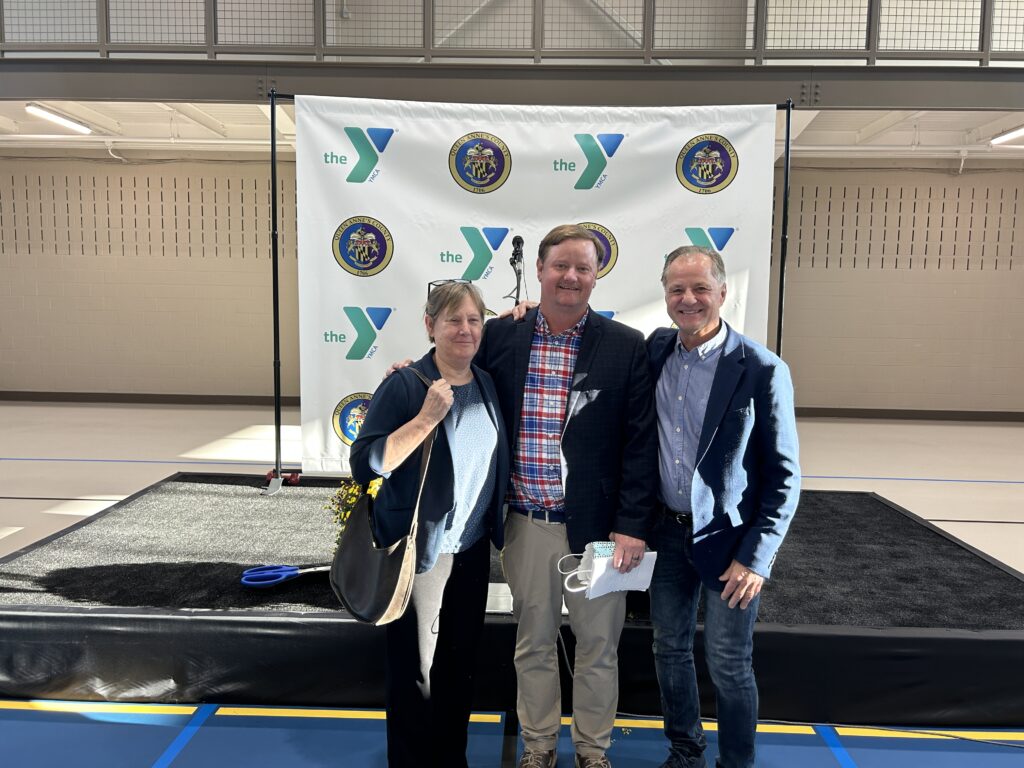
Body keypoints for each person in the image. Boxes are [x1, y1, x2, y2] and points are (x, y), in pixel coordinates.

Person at [475, 224, 658, 768]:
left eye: (583, 267)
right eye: (561, 266)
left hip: (604, 533)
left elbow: (640, 444)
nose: (571, 276)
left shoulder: (626, 346)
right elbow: (451, 366)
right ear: (539, 270)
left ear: (596, 275)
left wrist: (631, 526)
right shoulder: (500, 335)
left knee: (599, 649)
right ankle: (537, 749)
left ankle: (592, 752)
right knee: (532, 643)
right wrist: (407, 376)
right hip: (526, 524)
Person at [646, 245, 801, 768]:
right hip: (666, 535)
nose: (687, 299)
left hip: (731, 544)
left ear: (722, 293)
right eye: (676, 289)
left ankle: (736, 762)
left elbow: (784, 477)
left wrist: (758, 557)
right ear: (665, 294)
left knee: (730, 663)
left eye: (700, 289)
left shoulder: (762, 369)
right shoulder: (655, 352)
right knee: (669, 650)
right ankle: (684, 751)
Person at [349, 281, 510, 768]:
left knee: (459, 667)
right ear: (429, 326)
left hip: (472, 550)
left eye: (474, 320)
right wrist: (424, 420)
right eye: (452, 320)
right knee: (415, 672)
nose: (464, 330)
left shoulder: (484, 382)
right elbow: (366, 462)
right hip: (423, 554)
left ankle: (450, 758)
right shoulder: (406, 385)